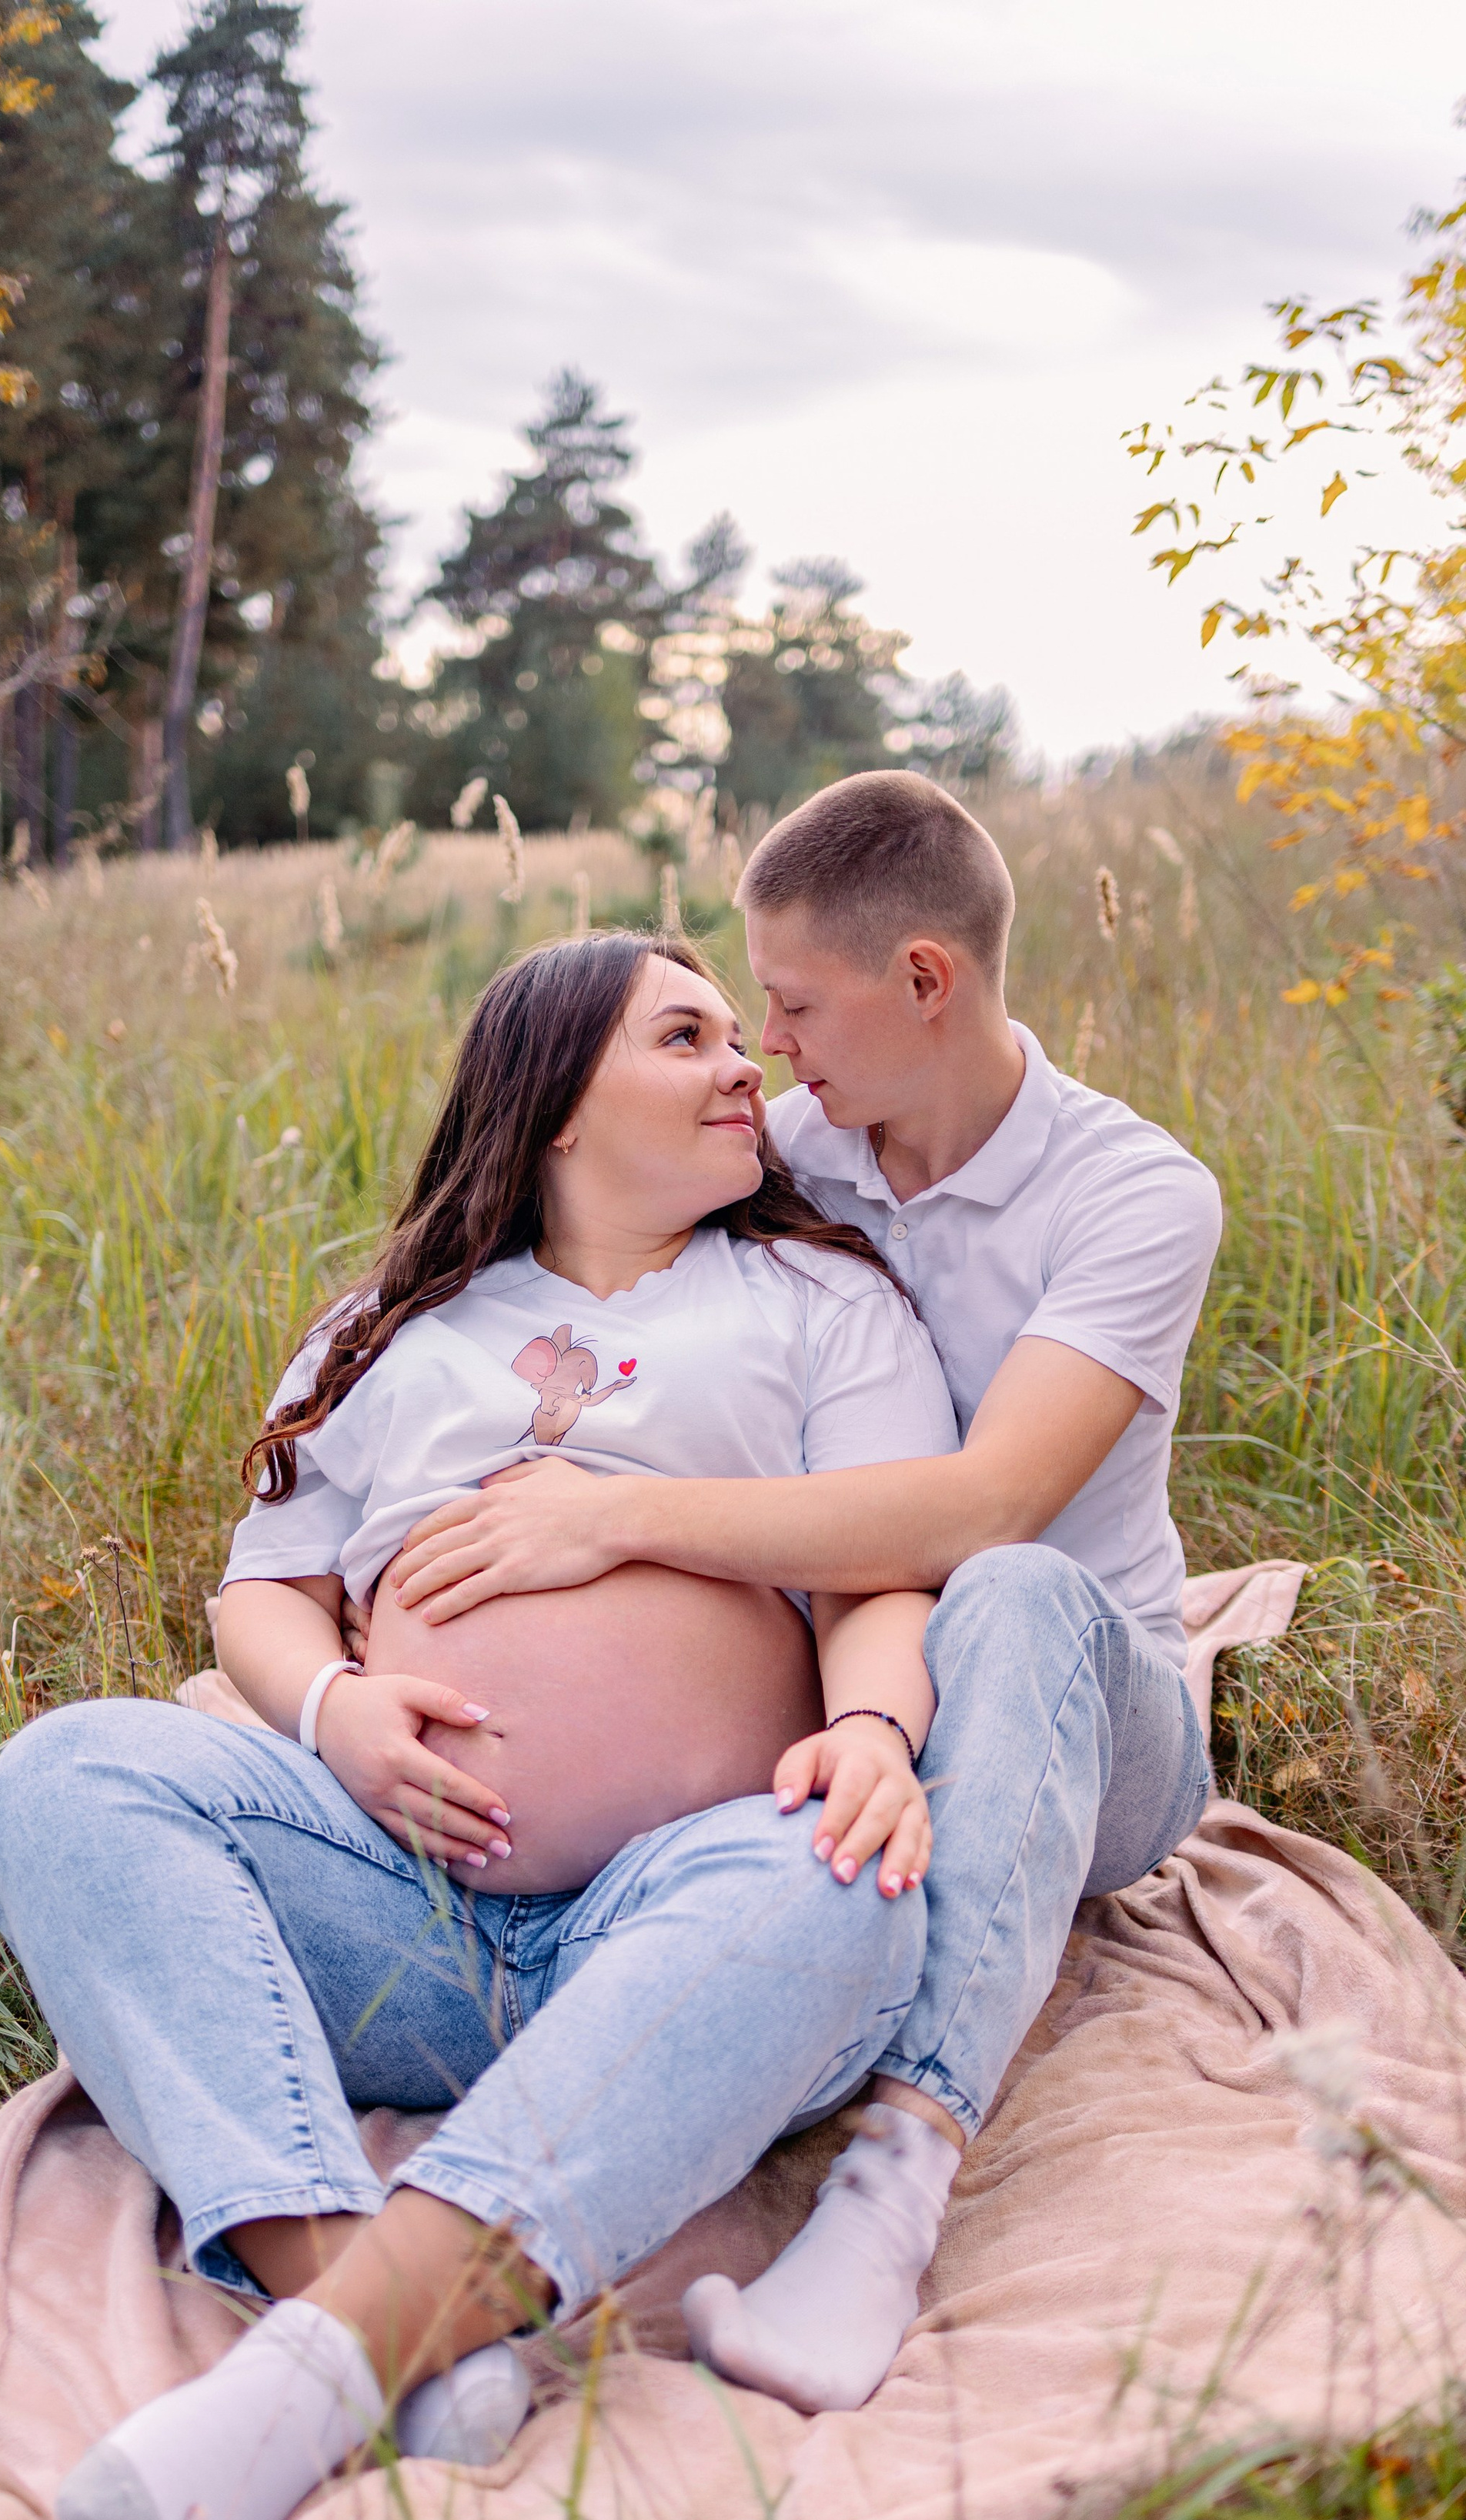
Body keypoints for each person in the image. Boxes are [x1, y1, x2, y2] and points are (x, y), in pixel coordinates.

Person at [0, 929, 963, 2520]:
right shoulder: (391, 1330)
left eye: (743, 1035)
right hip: (406, 1911)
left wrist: (871, 1729)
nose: (745, 1065)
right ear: (558, 1103)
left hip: (689, 1913)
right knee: (68, 1776)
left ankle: (310, 2384)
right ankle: (371, 2309)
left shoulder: (819, 1302)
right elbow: (265, 1591)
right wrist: (332, 1715)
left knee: (841, 1882)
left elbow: (885, 1579)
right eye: (685, 1034)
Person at [382, 773, 1221, 2417]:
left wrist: (612, 1525)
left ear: (926, 979)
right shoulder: (795, 1152)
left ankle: (890, 2184)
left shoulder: (1132, 1196)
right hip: (859, 1705)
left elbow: (983, 1507)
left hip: (1091, 1717)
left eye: (789, 1004)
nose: (761, 1049)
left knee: (1013, 1592)